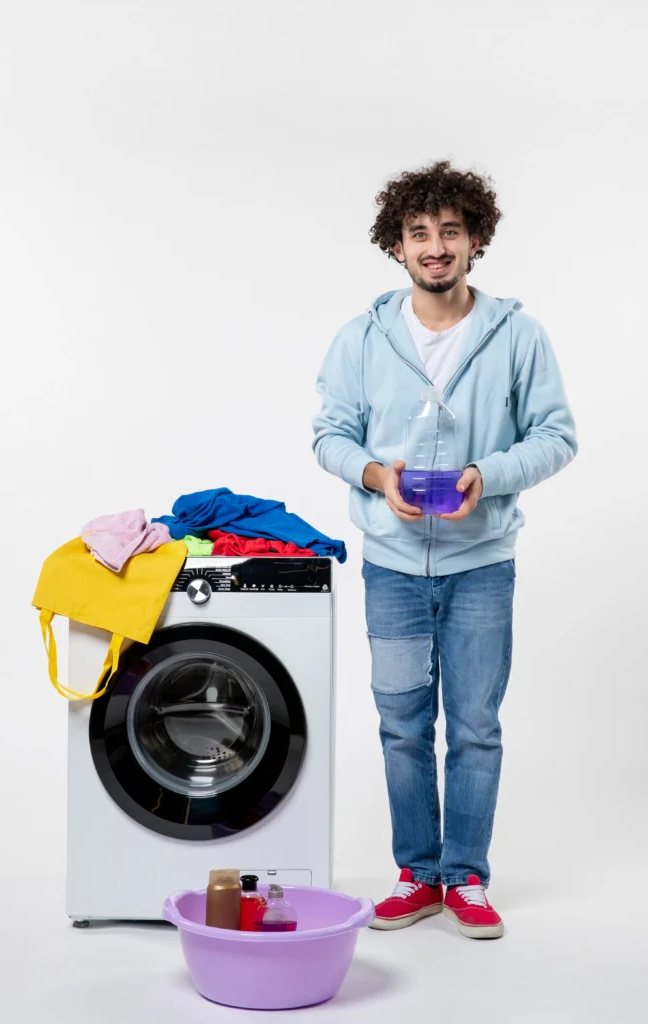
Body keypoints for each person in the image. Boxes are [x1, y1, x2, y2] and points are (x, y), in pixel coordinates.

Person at [312, 160, 577, 939]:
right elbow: (330, 436)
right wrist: (374, 475)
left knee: (473, 725)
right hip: (390, 565)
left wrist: (483, 476)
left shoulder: (517, 335)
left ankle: (464, 877)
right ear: (396, 246)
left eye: (450, 232)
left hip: (481, 565)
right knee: (400, 725)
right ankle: (415, 873)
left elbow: (556, 437)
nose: (435, 247)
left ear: (474, 242)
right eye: (418, 233)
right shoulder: (360, 338)